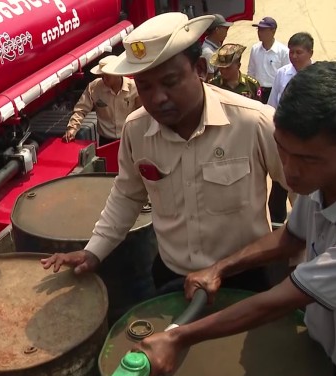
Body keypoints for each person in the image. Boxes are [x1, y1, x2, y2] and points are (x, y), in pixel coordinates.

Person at [135, 61, 336, 376]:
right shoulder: (322, 177)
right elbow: (291, 237)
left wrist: (178, 337)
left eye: (306, 159)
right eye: (282, 149)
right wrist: (220, 267)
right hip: (319, 354)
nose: (289, 169)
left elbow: (283, 300)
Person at [41, 13, 286, 294]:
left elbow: (305, 196)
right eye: (145, 87)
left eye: (170, 82)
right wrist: (93, 251)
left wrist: (302, 269)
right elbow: (127, 195)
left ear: (200, 69)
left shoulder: (255, 122)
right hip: (173, 277)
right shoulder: (136, 130)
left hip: (245, 280)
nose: (157, 98)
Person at [266, 32, 313, 225]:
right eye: (291, 52)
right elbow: (272, 105)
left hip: (306, 141)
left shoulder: (318, 76)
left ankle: (304, 223)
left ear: (310, 53)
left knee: (303, 188)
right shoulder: (282, 73)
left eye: (298, 52)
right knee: (279, 182)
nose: (293, 56)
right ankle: (276, 223)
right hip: (284, 139)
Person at [64, 55, 141, 145]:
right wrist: (72, 128)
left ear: (117, 74)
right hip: (105, 140)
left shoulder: (134, 88)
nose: (104, 78)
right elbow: (81, 110)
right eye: (102, 75)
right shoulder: (94, 87)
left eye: (107, 75)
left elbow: (141, 113)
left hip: (129, 139)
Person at [247, 16, 289, 104]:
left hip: (274, 91)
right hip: (258, 90)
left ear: (273, 31)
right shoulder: (255, 49)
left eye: (263, 30)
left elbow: (286, 75)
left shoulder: (283, 51)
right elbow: (251, 71)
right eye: (258, 30)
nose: (259, 33)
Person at [201, 14, 232, 80]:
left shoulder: (217, 45)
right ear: (217, 30)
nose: (226, 32)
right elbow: (210, 81)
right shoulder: (208, 53)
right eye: (225, 29)